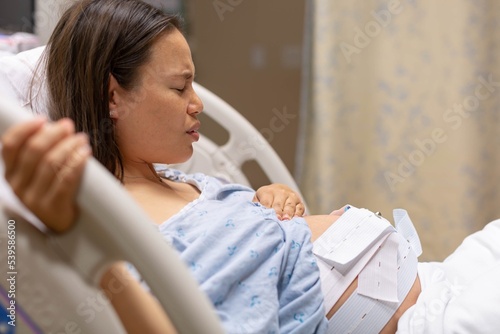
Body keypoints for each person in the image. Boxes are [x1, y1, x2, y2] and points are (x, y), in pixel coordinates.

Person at [7, 0, 498, 333]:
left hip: (439, 281)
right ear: (113, 95)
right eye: (179, 88)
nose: (196, 104)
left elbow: (259, 238)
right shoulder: (123, 234)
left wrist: (270, 197)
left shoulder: (181, 183)